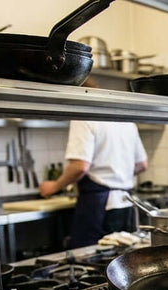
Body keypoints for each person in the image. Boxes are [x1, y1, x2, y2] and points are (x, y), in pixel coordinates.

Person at [39, 79, 148, 249]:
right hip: (125, 203)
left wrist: (53, 186)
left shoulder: (84, 116)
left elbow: (80, 167)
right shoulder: (125, 120)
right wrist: (118, 174)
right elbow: (142, 165)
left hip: (99, 206)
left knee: (90, 259)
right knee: (123, 260)